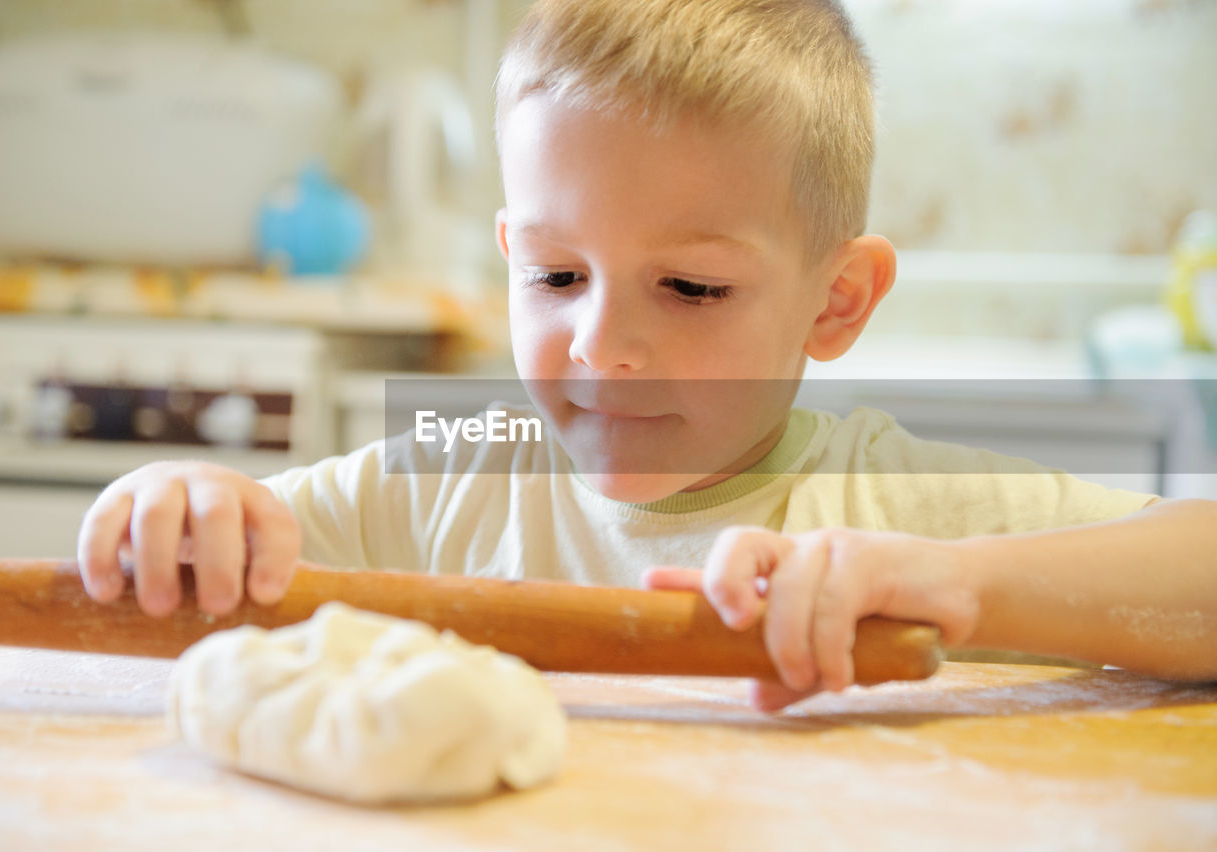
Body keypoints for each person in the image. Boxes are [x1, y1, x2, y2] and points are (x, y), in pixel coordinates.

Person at [77, 0, 1217, 710]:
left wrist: (959, 586)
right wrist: (175, 500)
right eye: (556, 277)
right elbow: (217, 554)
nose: (602, 347)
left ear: (835, 301)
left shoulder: (890, 506)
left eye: (689, 287)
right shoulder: (441, 483)